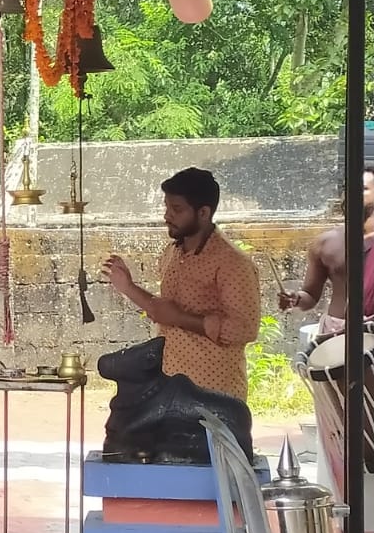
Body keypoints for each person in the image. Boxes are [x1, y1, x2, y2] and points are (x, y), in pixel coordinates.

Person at [102, 167, 260, 401]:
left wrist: (182, 319)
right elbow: (163, 312)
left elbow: (244, 330)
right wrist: (127, 287)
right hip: (170, 386)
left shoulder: (233, 263)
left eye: (177, 209)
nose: (167, 216)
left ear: (203, 213)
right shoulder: (172, 253)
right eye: (167, 207)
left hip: (214, 392)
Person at [280, 167, 374, 337]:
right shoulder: (326, 242)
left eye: (363, 189)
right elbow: (310, 295)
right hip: (335, 332)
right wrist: (295, 299)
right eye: (350, 188)